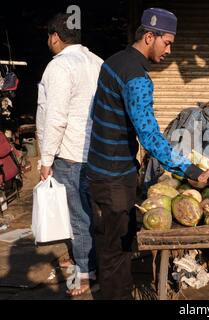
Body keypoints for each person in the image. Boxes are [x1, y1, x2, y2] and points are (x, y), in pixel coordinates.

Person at [86, 8, 209, 300]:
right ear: (149, 36)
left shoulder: (113, 62)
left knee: (109, 249)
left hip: (101, 172)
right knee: (117, 255)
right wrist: (192, 170)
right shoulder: (136, 78)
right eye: (167, 42)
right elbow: (150, 136)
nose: (170, 50)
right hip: (114, 181)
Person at [36, 13, 103, 296]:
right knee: (90, 214)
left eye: (49, 37)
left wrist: (46, 159)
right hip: (95, 153)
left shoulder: (59, 67)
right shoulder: (97, 62)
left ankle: (86, 274)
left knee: (78, 218)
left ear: (55, 37)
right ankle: (86, 261)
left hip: (70, 154)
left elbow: (56, 118)